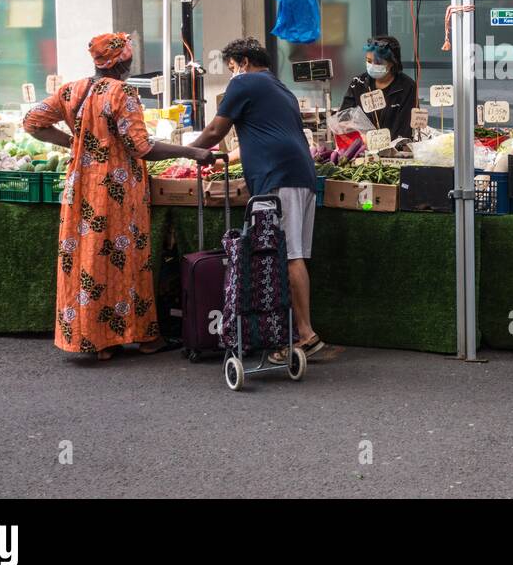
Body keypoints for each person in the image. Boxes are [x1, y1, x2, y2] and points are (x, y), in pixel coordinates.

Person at [24, 32, 212, 360]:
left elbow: (32, 122)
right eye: (129, 54)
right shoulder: (122, 92)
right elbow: (142, 147)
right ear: (122, 60)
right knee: (124, 260)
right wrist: (192, 152)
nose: (131, 59)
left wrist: (73, 143)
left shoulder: (71, 90)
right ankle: (142, 337)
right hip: (116, 191)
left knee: (86, 259)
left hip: (80, 186)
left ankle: (96, 340)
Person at [189, 37, 324, 362]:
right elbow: (259, 137)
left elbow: (213, 131)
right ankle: (297, 333)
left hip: (278, 177)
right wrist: (224, 159)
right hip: (300, 175)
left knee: (287, 255)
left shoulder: (245, 83)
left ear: (244, 61)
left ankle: (304, 334)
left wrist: (189, 152)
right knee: (295, 254)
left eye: (233, 67)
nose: (233, 73)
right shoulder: (279, 88)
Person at [340, 35, 418, 141]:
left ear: (392, 63)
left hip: (395, 150)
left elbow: (405, 127)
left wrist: (385, 144)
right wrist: (348, 128)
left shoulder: (407, 87)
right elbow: (344, 115)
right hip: (361, 148)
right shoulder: (358, 83)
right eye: (368, 61)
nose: (372, 65)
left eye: (378, 63)